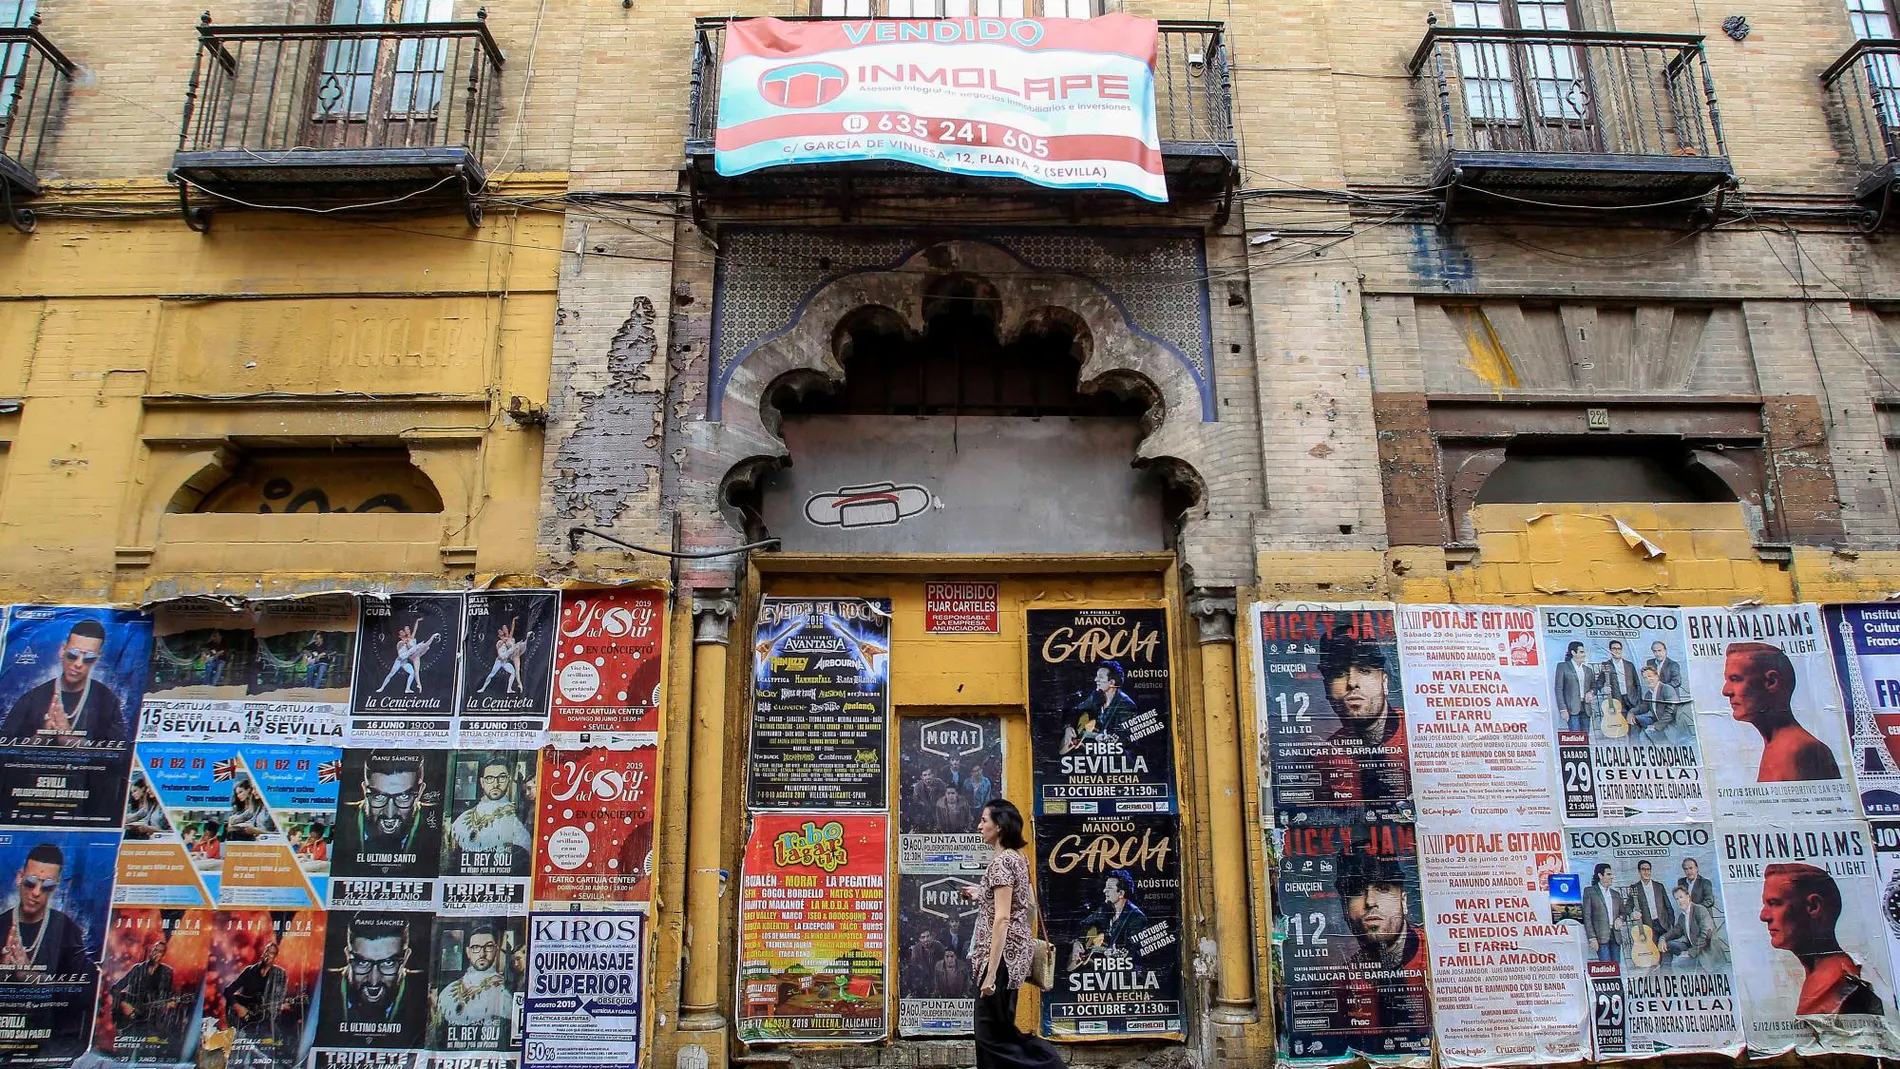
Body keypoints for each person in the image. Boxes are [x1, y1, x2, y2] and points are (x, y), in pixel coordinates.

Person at [958, 799, 1062, 1069]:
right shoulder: (1018, 859)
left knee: (991, 1036)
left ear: (999, 827)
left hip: (1000, 960)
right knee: (1000, 1031)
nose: (979, 826)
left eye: (984, 821)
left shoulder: (1000, 863)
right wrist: (981, 894)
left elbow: (1002, 918)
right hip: (1013, 958)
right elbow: (1024, 904)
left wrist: (990, 975)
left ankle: (1049, 1063)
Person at [1760, 863, 1886, 1015]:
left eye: (1774, 903)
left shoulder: (1833, 982)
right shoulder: (1820, 977)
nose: (1764, 916)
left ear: (1813, 906)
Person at [1723, 643, 1842, 782]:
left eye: (1736, 679)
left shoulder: (1799, 750)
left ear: (1771, 682)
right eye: (1728, 681)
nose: (1726, 691)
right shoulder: (1777, 745)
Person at [0, 618, 128, 745]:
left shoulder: (107, 700)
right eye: (73, 654)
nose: (78, 664)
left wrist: (71, 740)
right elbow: (4, 752)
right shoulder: (31, 699)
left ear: (97, 658)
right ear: (62, 650)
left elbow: (121, 756)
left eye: (88, 658)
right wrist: (40, 737)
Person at [1314, 634, 1406, 801]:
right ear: (1326, 688)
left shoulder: (1419, 736)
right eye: (1339, 672)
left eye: (1364, 670)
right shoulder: (1321, 763)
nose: (1352, 682)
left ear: (1384, 682)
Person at [0, 843, 93, 979]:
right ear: (20, 877)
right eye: (30, 882)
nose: (36, 892)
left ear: (55, 887)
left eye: (47, 885)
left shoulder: (68, 930)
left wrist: (31, 978)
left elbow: (79, 990)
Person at [331, 914, 424, 1039]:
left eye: (388, 963)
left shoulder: (425, 992)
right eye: (362, 963)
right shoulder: (319, 987)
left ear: (406, 958)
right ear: (348, 956)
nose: (374, 981)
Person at [1337, 849, 1426, 973]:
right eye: (1357, 891)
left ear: (1403, 901)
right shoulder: (1343, 982)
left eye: (1383, 889)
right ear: (1344, 908)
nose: (1370, 902)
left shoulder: (1436, 955)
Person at [433, 925, 511, 1049]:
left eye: (488, 947)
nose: (482, 953)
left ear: (496, 949)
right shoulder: (447, 992)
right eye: (476, 948)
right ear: (468, 952)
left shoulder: (506, 992)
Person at [447, 758, 531, 873]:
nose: (495, 784)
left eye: (501, 778)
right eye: (489, 778)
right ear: (482, 782)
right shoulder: (462, 820)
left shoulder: (518, 824)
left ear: (508, 780)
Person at [344, 752, 433, 860]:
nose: (390, 814)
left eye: (404, 797)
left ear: (420, 792)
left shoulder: (438, 828)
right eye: (379, 797)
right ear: (364, 790)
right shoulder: (342, 819)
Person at [110, 935, 177, 1049]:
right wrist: (123, 1004)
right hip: (130, 1023)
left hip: (152, 1021)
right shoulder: (137, 969)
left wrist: (170, 1002)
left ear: (163, 955)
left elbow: (168, 994)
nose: (156, 953)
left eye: (160, 951)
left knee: (150, 1050)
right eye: (155, 949)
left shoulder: (167, 972)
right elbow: (115, 989)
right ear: (151, 951)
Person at [1070, 869, 1149, 966]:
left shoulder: (1137, 917)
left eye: (1109, 888)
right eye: (1105, 887)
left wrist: (1116, 955)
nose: (1104, 891)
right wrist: (1077, 943)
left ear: (1121, 893)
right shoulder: (1104, 909)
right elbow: (1082, 925)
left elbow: (1135, 954)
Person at [1067, 662, 1139, 742]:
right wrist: (1069, 727)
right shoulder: (1095, 696)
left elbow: (1126, 737)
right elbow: (1075, 711)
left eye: (1100, 677)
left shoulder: (1126, 705)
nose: (1095, 680)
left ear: (1111, 682)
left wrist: (1103, 737)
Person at [375, 618, 440, 695]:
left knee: (412, 672)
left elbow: (413, 634)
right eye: (401, 632)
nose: (403, 632)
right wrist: (413, 646)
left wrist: (417, 621)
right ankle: (382, 688)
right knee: (391, 674)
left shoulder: (409, 639)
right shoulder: (400, 643)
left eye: (404, 631)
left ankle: (407, 689)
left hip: (405, 661)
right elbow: (402, 654)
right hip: (399, 661)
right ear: (399, 635)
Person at [1627, 860, 1676, 959]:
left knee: (1666, 953)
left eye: (1648, 869)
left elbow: (1669, 907)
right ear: (1639, 871)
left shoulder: (1659, 886)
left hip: (1663, 925)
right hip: (1648, 927)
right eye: (1643, 869)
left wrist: (1670, 924)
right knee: (1653, 955)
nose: (1646, 872)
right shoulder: (1634, 888)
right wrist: (1632, 913)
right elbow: (1627, 906)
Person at [1662, 885, 1720, 969]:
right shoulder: (1683, 916)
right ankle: (1664, 972)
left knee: (1676, 964)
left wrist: (1689, 953)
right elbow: (1675, 931)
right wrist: (1663, 938)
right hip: (1693, 947)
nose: (1679, 901)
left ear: (1688, 897)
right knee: (1667, 945)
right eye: (1677, 899)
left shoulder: (1699, 910)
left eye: (1681, 897)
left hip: (1706, 953)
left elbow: (1706, 936)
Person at [1583, 862, 1627, 965]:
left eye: (1611, 874)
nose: (1612, 877)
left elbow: (1623, 912)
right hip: (1600, 936)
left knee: (1616, 967)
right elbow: (1587, 916)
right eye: (1608, 874)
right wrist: (1592, 938)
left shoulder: (1616, 894)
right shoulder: (1590, 892)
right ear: (1600, 875)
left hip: (1615, 935)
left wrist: (1620, 918)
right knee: (1606, 967)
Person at [1632, 666, 1686, 742]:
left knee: (1645, 735)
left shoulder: (1667, 689)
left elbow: (1671, 712)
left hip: (1671, 726)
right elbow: (1643, 707)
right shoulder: (1649, 693)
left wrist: (1656, 726)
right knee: (1635, 722)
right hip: (1659, 722)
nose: (1648, 679)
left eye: (1650, 676)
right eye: (1645, 678)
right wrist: (1631, 712)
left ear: (1657, 677)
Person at [1555, 641, 1596, 734]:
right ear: (1573, 653)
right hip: (1571, 708)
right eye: (1581, 652)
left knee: (1585, 738)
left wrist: (1591, 692)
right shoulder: (1562, 667)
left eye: (1584, 652)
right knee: (1576, 737)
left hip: (1586, 708)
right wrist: (1562, 709)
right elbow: (1558, 689)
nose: (1584, 655)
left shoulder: (1588, 670)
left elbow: (1594, 685)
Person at [226, 777, 277, 842]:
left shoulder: (273, 808)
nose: (253, 792)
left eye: (255, 789)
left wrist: (255, 831)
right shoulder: (259, 805)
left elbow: (278, 835)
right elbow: (245, 817)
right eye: (253, 789)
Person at [123, 773, 170, 840]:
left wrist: (148, 829)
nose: (147, 791)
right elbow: (136, 816)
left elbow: (172, 834)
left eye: (150, 787)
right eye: (147, 787)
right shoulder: (152, 805)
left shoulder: (167, 808)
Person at [1599, 640, 1641, 710]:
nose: (1617, 651)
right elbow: (1599, 681)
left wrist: (1638, 699)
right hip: (1617, 700)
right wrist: (1603, 689)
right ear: (1610, 650)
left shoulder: (1629, 665)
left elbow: (1637, 683)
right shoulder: (1606, 665)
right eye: (1614, 649)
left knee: (1634, 720)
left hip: (1632, 699)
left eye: (1619, 649)